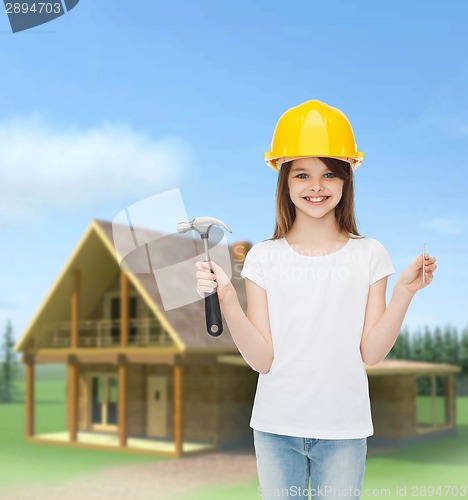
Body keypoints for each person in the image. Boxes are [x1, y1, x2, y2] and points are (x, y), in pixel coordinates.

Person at [195, 100, 437, 499]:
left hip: (344, 430)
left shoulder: (370, 254)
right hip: (275, 428)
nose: (316, 186)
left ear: (346, 180)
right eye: (302, 174)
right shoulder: (263, 258)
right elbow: (262, 360)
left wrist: (405, 293)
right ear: (285, 182)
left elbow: (371, 352)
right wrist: (226, 297)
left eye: (329, 174)